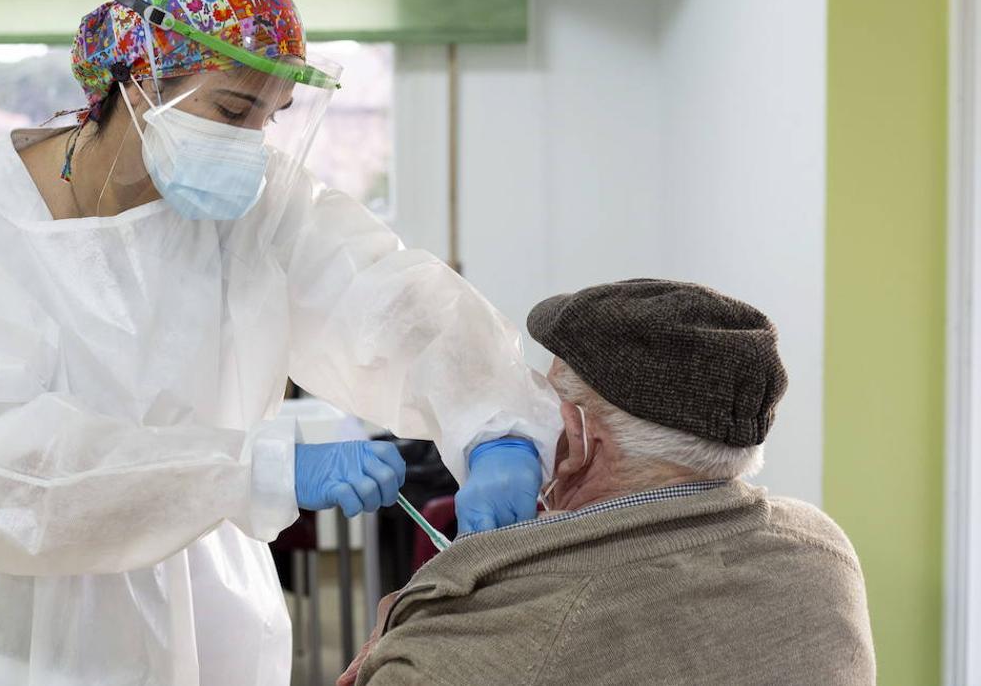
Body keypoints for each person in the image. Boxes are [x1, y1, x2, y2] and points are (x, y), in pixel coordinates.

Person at [0, 0, 561, 686]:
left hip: (207, 607)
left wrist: (495, 425)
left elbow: (388, 297)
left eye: (271, 117)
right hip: (10, 632)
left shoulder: (253, 208)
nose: (249, 142)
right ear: (137, 74)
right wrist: (242, 472)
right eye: (232, 107)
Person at [343, 280, 876, 686]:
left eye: (544, 401)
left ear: (577, 437)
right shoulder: (824, 552)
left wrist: (405, 625)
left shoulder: (512, 634)